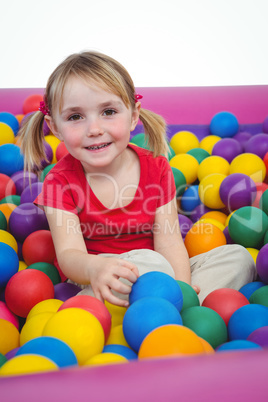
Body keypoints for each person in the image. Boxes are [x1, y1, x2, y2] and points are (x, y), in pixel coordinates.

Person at [19, 51, 256, 306]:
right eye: (75, 117)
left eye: (108, 111)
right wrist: (95, 269)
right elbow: (69, 254)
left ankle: (176, 305)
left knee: (239, 257)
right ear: (55, 127)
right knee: (152, 263)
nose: (95, 129)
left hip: (158, 270)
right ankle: (91, 306)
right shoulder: (59, 181)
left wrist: (182, 289)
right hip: (97, 277)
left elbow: (170, 242)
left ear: (133, 116)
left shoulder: (157, 167)